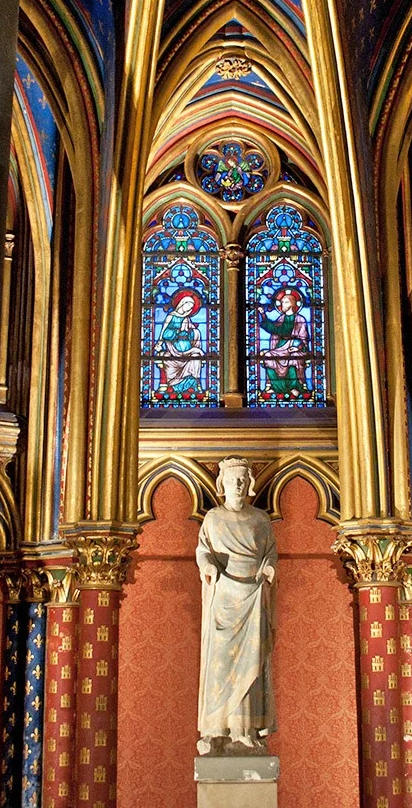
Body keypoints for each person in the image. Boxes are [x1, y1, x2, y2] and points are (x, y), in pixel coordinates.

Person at [197, 457, 277, 755]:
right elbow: (203, 550)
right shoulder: (213, 519)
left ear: (250, 483)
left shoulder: (260, 519)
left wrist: (269, 567)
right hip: (224, 600)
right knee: (221, 667)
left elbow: (270, 552)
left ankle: (245, 731)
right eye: (233, 479)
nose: (238, 484)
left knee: (251, 667)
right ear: (223, 484)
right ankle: (217, 731)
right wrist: (207, 566)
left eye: (243, 479)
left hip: (253, 598)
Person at [259, 286, 309, 399]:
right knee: (268, 356)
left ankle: (294, 387)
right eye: (282, 302)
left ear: (292, 303)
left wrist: (298, 347)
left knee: (294, 358)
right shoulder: (281, 319)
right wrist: (263, 315)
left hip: (293, 348)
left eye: (285, 302)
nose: (283, 305)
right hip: (280, 348)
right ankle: (274, 386)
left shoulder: (300, 319)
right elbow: (275, 329)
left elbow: (304, 338)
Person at [158, 287, 206, 398]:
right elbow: (164, 334)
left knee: (195, 357)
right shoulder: (171, 317)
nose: (189, 308)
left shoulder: (187, 319)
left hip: (187, 349)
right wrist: (177, 332)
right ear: (182, 304)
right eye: (188, 305)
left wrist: (191, 332)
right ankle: (174, 386)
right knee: (168, 360)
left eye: (191, 307)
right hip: (173, 349)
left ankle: (193, 385)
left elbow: (193, 333)